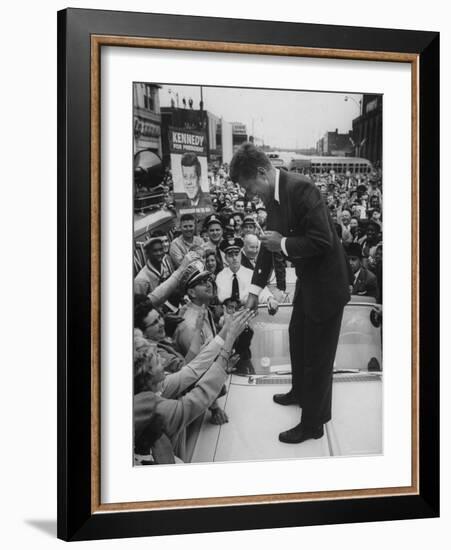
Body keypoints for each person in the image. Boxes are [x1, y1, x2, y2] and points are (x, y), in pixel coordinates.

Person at [230, 143, 350, 444]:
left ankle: (313, 424)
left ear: (262, 172)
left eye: (250, 187)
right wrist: (255, 290)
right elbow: (269, 246)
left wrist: (283, 244)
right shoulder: (273, 196)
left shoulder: (303, 189)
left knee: (318, 357)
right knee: (297, 337)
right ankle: (300, 392)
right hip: (309, 281)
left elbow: (322, 240)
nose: (251, 195)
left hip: (327, 286)